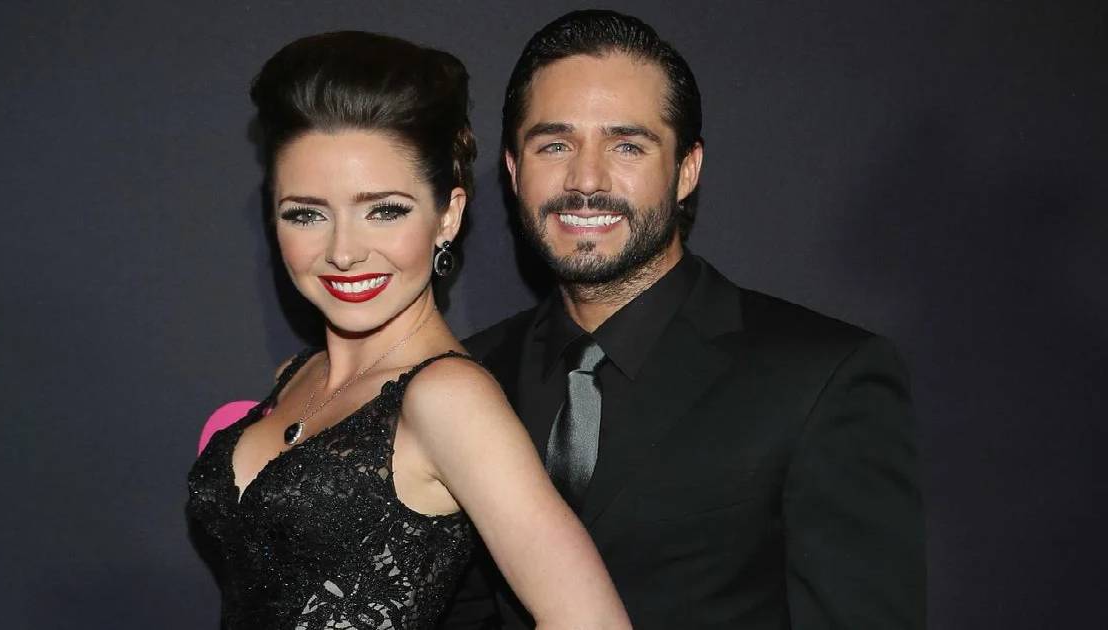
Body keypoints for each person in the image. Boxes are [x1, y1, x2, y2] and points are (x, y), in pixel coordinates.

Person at [442, 10, 925, 629]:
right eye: (555, 145)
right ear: (514, 171)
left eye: (627, 146)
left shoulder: (822, 379)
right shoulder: (467, 378)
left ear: (686, 170)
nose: (585, 179)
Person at [185, 31, 631, 630]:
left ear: (447, 215)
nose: (344, 251)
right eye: (307, 214)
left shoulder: (448, 398)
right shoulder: (297, 374)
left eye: (384, 210)